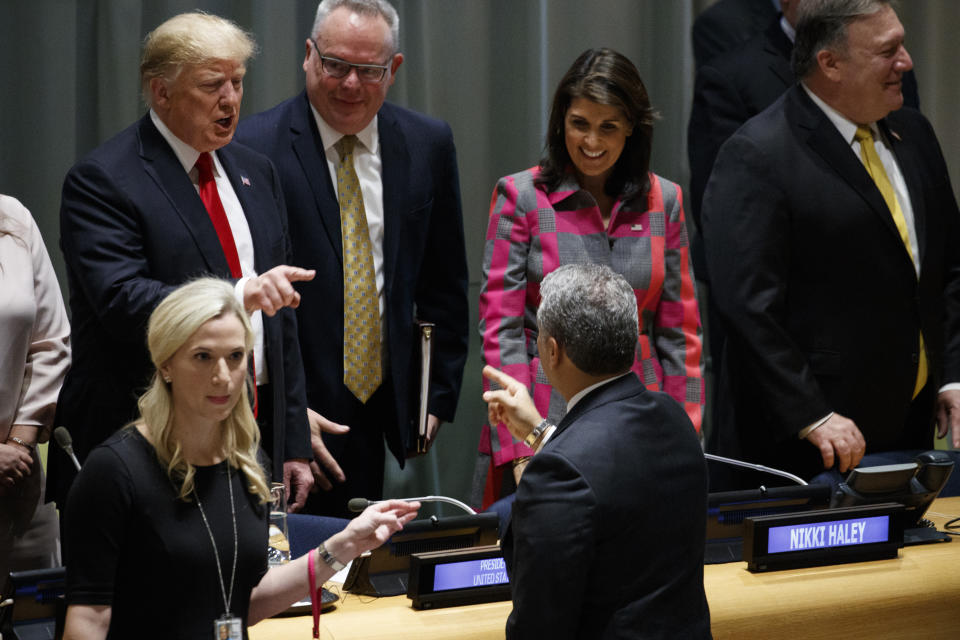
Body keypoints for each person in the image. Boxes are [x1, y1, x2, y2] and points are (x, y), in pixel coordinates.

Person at [52, 12, 317, 514]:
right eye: (212, 84)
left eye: (238, 82)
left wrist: (292, 440)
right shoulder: (103, 180)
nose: (231, 99)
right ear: (161, 92)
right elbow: (122, 299)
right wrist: (237, 297)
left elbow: (281, 319)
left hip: (245, 437)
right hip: (143, 442)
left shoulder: (256, 172)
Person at [61, 278, 419, 639]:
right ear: (165, 364)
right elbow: (89, 620)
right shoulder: (114, 471)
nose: (223, 377)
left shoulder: (247, 462)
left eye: (235, 357)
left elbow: (245, 603)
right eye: (202, 357)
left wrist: (345, 545)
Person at [701, 0, 960, 487]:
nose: (906, 61)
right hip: (808, 446)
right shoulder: (757, 154)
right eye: (889, 51)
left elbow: (949, 270)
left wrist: (953, 375)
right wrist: (811, 414)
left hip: (910, 429)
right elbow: (747, 307)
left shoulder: (916, 134)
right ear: (830, 64)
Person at [236, 0, 469, 517]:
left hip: (381, 409)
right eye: (336, 64)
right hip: (290, 415)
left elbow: (445, 281)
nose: (350, 85)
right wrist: (285, 414)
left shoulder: (427, 143)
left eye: (369, 71)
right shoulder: (252, 148)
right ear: (308, 55)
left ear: (395, 69)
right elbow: (237, 289)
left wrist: (435, 395)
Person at [476, 48, 703, 507]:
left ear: (631, 130)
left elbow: (681, 337)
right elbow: (501, 332)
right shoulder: (520, 197)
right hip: (542, 412)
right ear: (562, 121)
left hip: (640, 417)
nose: (591, 142)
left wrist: (685, 437)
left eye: (608, 127)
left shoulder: (667, 200)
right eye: (580, 123)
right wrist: (523, 446)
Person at [482, 263, 710, 639]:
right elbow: (609, 472)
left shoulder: (557, 473)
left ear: (552, 351)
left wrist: (547, 445)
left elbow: (539, 626)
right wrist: (538, 432)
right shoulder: (674, 418)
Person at [0, 195, 70, 582]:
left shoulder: (12, 218)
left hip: (16, 479)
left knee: (31, 620)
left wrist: (20, 444)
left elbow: (51, 343)